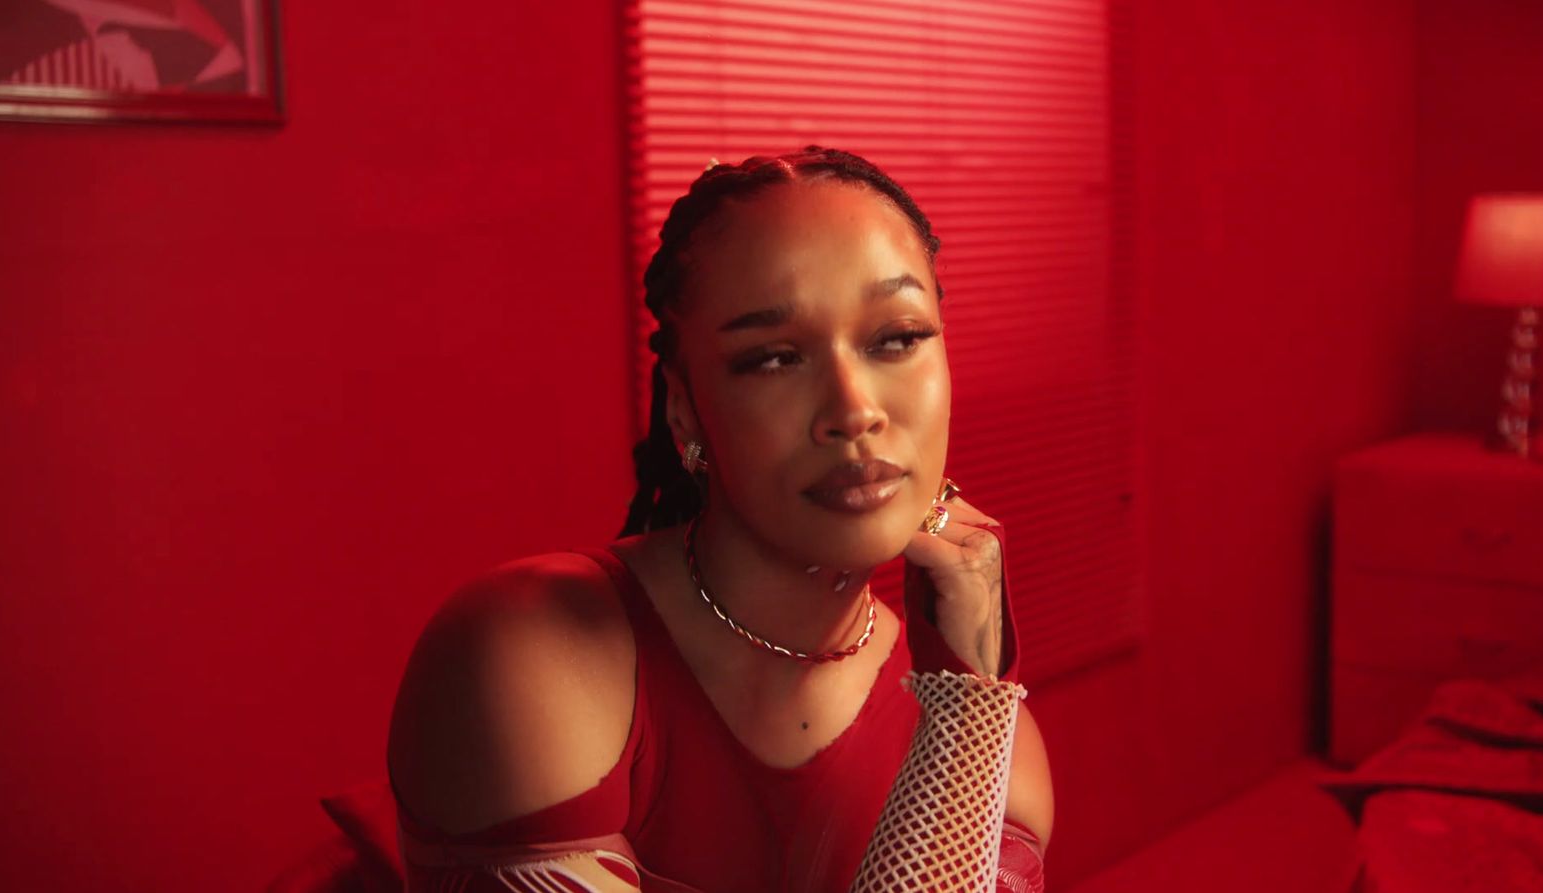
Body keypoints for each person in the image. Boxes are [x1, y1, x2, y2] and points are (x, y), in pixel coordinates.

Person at [385, 147, 1054, 892]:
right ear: (683, 405)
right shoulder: (528, 651)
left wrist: (964, 713)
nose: (854, 409)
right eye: (773, 358)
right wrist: (965, 716)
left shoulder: (987, 728)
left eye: (896, 338)